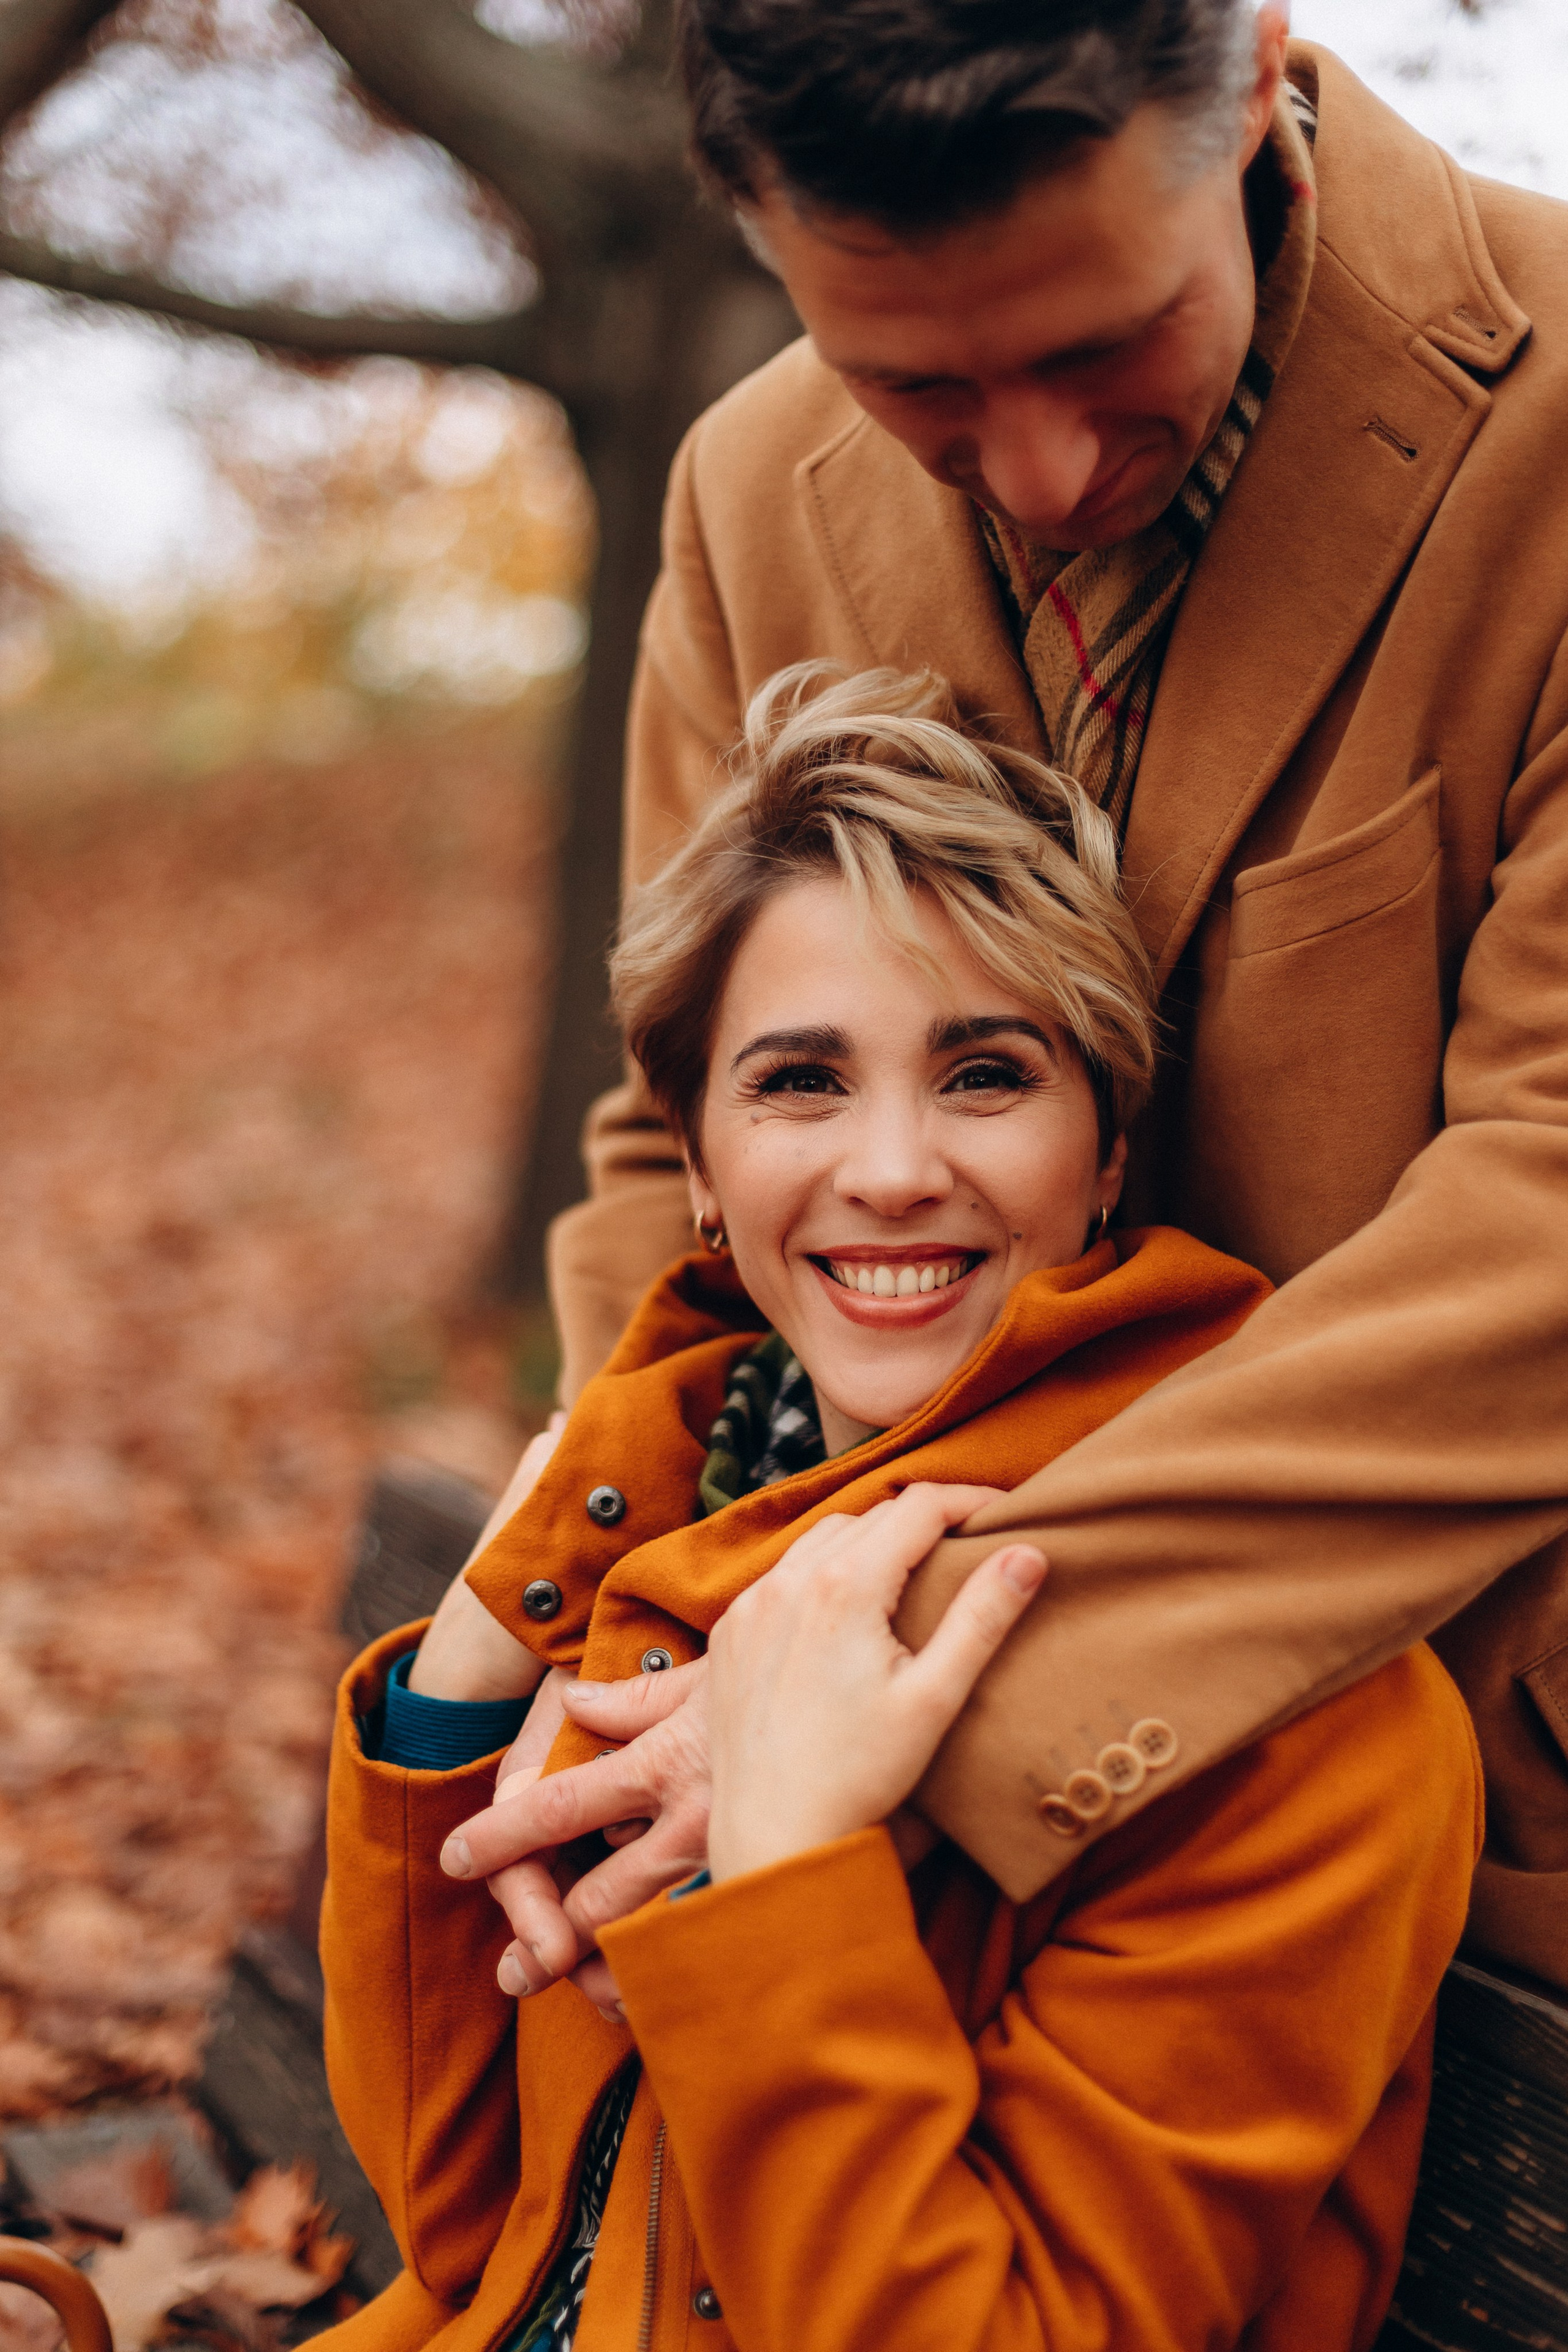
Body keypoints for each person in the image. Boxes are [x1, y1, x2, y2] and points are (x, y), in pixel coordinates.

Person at [469, 0, 1568, 1995]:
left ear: (1254, 72)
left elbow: (1551, 1206)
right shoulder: (747, 487)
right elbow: (672, 1127)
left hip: (1456, 1825)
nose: (1047, 474)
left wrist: (882, 1686)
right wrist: (607, 1612)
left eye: (1104, 344)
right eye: (915, 385)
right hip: (807, 1821)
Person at [321, 668, 1478, 2352]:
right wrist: (464, 1681)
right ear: (698, 1161)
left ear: (1107, 1151)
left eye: (985, 1075)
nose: (889, 1169)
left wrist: (791, 1870)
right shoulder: (680, 1526)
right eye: (800, 1081)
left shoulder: (1301, 1717)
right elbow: (464, 2227)